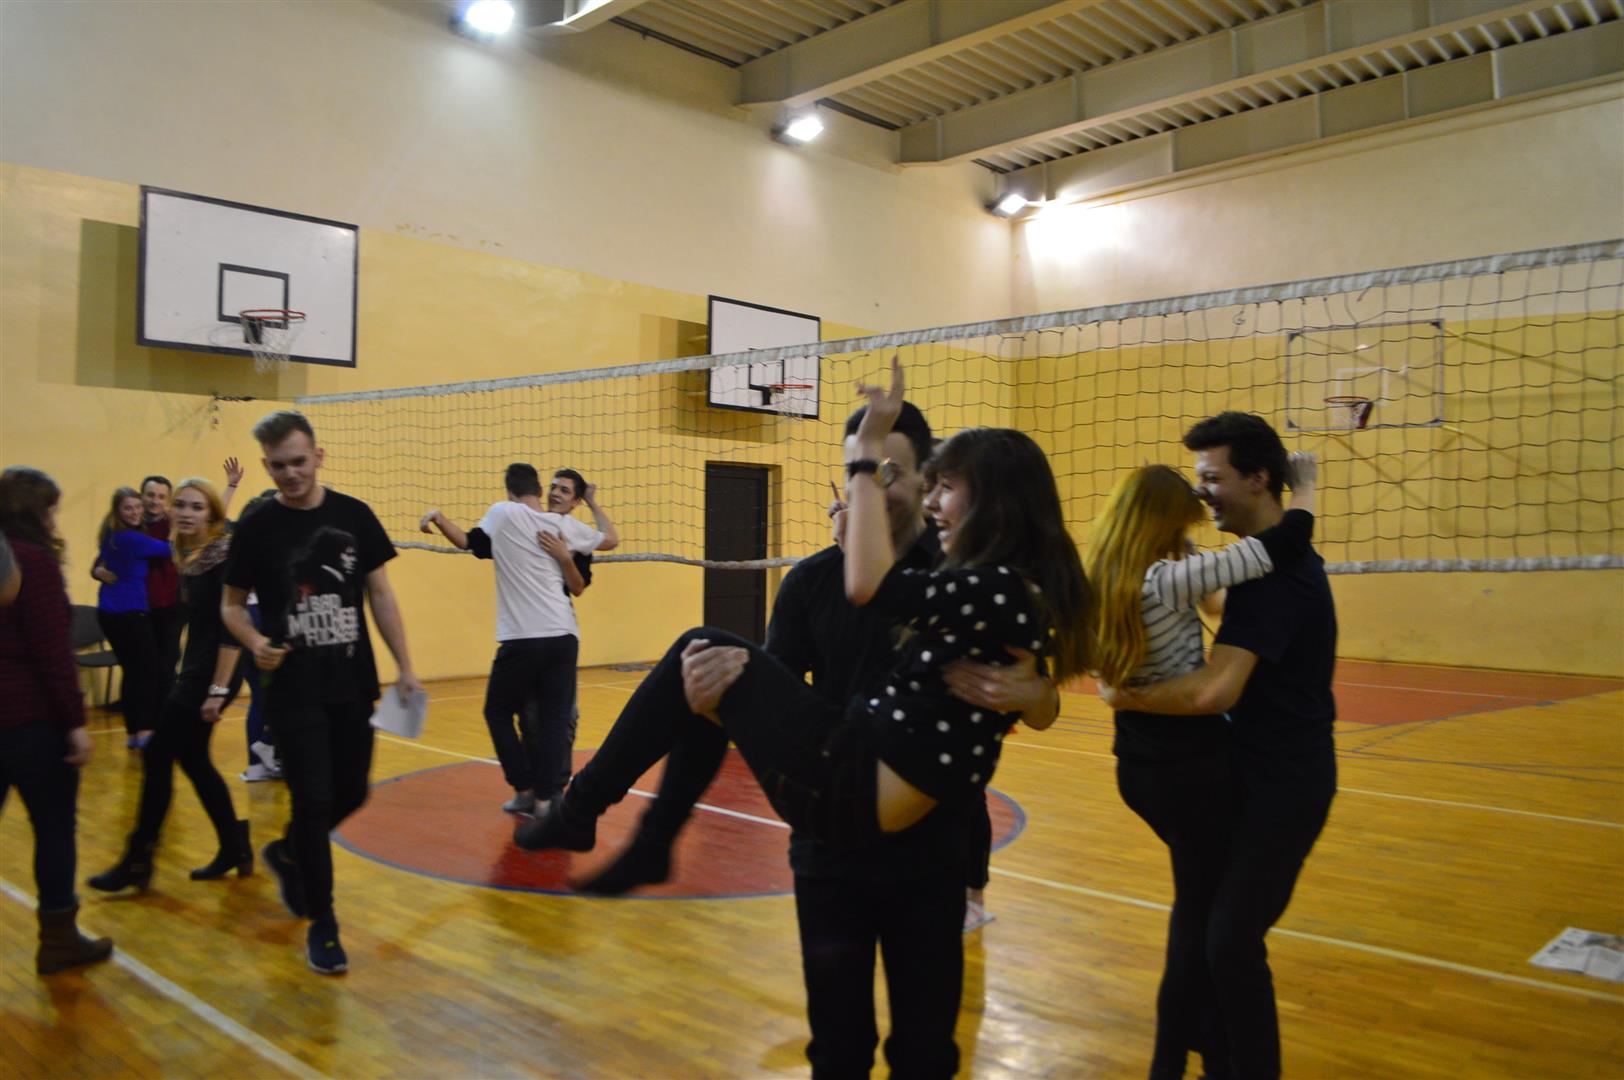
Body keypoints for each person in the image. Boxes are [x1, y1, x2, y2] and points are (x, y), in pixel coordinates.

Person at [517, 358, 1092, 1076]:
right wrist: (720, 687)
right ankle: (641, 834)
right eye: (862, 472)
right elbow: (773, 697)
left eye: (894, 474)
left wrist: (1036, 694)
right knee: (838, 1049)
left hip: (926, 849)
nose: (876, 487)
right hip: (834, 834)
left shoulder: (965, 576)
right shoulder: (817, 580)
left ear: (923, 481)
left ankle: (601, 819)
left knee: (925, 1050)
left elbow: (1034, 686)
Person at [1101, 413, 1337, 1080]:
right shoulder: (1241, 573)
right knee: (1204, 926)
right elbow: (1217, 600)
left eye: (1212, 477)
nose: (1201, 493)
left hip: (1282, 785)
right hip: (1233, 771)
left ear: (1258, 479)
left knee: (1225, 939)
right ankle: (1192, 1061)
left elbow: (1213, 692)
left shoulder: (1275, 579)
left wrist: (1123, 695)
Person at [222, 409, 424, 976]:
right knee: (312, 802)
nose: (290, 473)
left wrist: (406, 666)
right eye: (278, 466)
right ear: (267, 466)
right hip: (292, 688)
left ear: (318, 456)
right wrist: (255, 642)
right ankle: (324, 922)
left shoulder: (354, 516)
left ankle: (288, 853)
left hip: (352, 683)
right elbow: (230, 606)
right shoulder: (258, 526)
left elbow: (380, 594)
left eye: (298, 462)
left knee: (352, 792)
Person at [419, 463, 613, 815]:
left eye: (565, 490)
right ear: (541, 490)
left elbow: (467, 541)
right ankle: (542, 799)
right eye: (554, 487)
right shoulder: (565, 525)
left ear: (510, 492)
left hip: (526, 637)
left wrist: (437, 516)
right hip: (561, 637)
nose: (557, 493)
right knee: (543, 718)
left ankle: (530, 788)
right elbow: (610, 539)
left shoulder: (506, 514)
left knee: (506, 713)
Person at [89, 478, 253, 893]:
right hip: (196, 667)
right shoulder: (187, 552)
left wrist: (218, 690)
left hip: (215, 671)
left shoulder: (223, 555)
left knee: (158, 753)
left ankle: (138, 858)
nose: (185, 513)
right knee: (194, 759)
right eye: (180, 505)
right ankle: (234, 843)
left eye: (197, 507)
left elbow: (232, 628)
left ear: (212, 515)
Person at [0, 467, 114, 975]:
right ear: (36, 512)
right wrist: (74, 722)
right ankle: (59, 940)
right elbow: (51, 651)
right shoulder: (33, 562)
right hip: (31, 724)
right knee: (53, 828)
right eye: (50, 509)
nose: (53, 519)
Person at [94, 486, 170, 747]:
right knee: (147, 670)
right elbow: (169, 549)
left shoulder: (110, 535)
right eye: (128, 508)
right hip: (129, 611)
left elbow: (99, 564)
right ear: (117, 511)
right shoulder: (131, 539)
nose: (136, 512)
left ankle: (132, 731)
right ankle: (145, 730)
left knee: (132, 671)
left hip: (109, 610)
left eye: (138, 507)